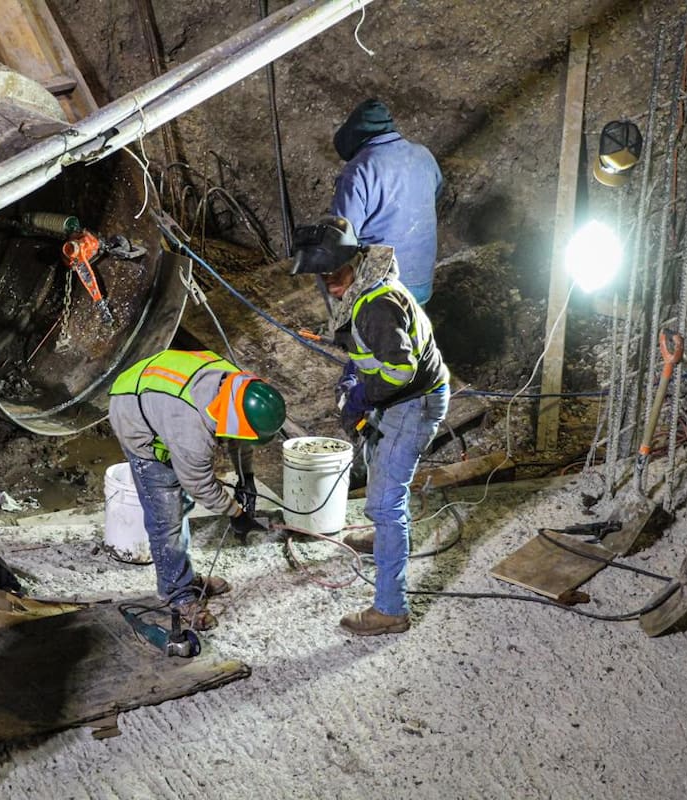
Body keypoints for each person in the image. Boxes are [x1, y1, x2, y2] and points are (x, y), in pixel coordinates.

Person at [291, 216, 450, 636]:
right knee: (373, 459)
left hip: (411, 403)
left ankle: (390, 610)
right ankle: (384, 539)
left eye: (335, 274)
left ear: (355, 261)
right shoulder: (365, 288)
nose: (330, 284)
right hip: (399, 398)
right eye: (322, 278)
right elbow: (374, 351)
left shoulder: (376, 305)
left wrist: (363, 393)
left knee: (384, 503)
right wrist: (350, 365)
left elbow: (399, 369)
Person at [108, 350, 286, 630]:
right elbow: (200, 484)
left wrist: (246, 476)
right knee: (166, 517)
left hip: (157, 391)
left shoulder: (240, 389)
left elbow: (241, 440)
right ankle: (176, 595)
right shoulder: (191, 431)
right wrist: (235, 512)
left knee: (183, 505)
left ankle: (183, 576)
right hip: (133, 412)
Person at [330, 98, 444, 305]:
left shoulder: (357, 171)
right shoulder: (424, 155)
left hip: (382, 291)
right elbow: (434, 195)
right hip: (422, 284)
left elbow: (342, 235)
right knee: (413, 332)